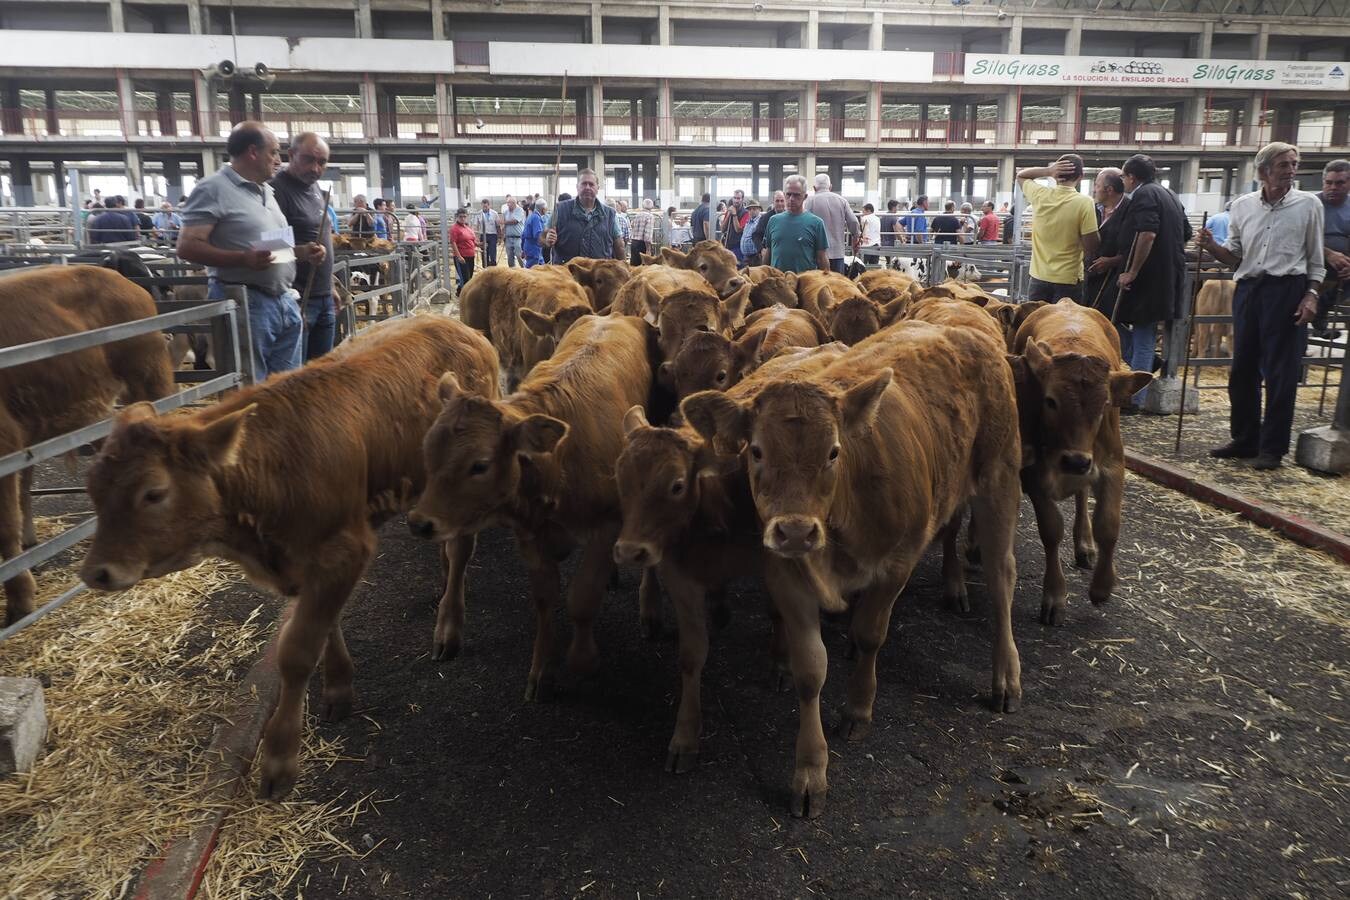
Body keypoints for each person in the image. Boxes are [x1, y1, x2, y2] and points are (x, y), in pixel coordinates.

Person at [1198, 142, 1326, 470]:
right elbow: (1235, 255)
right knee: (1243, 368)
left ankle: (1273, 448)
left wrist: (1311, 295)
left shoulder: (1308, 205)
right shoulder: (1242, 206)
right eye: (1284, 164)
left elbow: (1316, 258)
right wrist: (1212, 246)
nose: (1291, 169)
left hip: (1287, 290)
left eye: (1294, 163)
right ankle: (1244, 439)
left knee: (1281, 372)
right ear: (1264, 171)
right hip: (1250, 289)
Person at [178, 121, 324, 379]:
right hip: (247, 300)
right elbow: (187, 246)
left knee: (285, 388)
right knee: (250, 385)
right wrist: (242, 258)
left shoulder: (266, 191)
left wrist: (303, 252)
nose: (278, 160)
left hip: (283, 299)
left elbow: (271, 247)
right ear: (253, 152)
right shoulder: (212, 189)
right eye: (274, 152)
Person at [1112, 153, 1193, 409]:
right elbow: (1187, 232)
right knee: (1136, 332)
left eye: (1124, 177)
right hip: (1168, 275)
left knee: (1144, 335)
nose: (1123, 181)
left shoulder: (1144, 195)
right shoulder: (1170, 195)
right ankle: (1143, 378)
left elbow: (1147, 234)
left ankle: (1135, 399)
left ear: (1132, 177)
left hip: (1149, 278)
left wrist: (1133, 271)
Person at [270, 131, 337, 361]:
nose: (315, 169)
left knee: (320, 374)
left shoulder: (316, 190)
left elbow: (322, 238)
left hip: (323, 297)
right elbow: (270, 250)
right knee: (296, 378)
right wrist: (302, 252)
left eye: (322, 162)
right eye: (309, 159)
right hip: (298, 299)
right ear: (291, 155)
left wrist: (331, 286)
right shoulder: (277, 191)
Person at [1016, 155, 1100, 302]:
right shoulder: (1084, 203)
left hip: (1038, 278)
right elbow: (1091, 246)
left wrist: (1048, 170)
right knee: (1063, 324)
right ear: (1081, 176)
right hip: (1068, 280)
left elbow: (1021, 176)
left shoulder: (1040, 195)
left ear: (1056, 176)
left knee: (1037, 323)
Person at [541, 168, 624, 264]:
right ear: (577, 187)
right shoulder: (560, 209)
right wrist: (546, 240)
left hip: (599, 275)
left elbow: (619, 246)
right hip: (566, 274)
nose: (588, 187)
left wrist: (624, 269)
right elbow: (542, 237)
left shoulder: (610, 214)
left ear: (597, 188)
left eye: (591, 184)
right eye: (584, 184)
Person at [1084, 167, 1131, 327]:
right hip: (1090, 277)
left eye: (1096, 185)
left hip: (1115, 279)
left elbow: (1135, 248)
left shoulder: (1130, 210)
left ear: (1109, 190)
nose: (1094, 189)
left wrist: (1112, 261)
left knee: (1110, 323)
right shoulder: (1093, 209)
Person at [1312, 159, 1350, 336]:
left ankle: (1322, 309)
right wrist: (1328, 253)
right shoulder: (1310, 204)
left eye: (1340, 183)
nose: (1333, 187)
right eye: (1329, 183)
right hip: (1309, 259)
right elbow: (1296, 237)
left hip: (1340, 265)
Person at [764, 174, 829, 274]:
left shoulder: (816, 223)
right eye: (788, 194)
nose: (791, 199)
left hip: (804, 285)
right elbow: (768, 252)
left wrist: (826, 280)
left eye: (796, 195)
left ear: (805, 197)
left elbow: (822, 258)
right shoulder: (773, 221)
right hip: (778, 284)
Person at [804, 174, 859, 274]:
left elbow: (804, 224)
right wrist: (855, 239)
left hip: (817, 255)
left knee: (818, 285)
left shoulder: (810, 201)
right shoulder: (842, 201)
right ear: (830, 187)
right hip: (837, 253)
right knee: (837, 285)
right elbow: (854, 221)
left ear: (814, 188)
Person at [751, 190, 786, 260]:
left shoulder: (790, 216)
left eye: (782, 201)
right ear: (773, 202)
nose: (780, 203)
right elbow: (756, 235)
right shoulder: (765, 218)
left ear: (785, 201)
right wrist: (761, 249)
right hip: (770, 256)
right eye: (777, 201)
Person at [450, 207, 478, 289]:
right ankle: (463, 296)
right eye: (460, 216)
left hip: (471, 256)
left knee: (469, 278)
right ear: (457, 217)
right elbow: (453, 242)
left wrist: (479, 244)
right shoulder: (454, 228)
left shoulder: (467, 228)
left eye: (464, 216)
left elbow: (471, 240)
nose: (462, 218)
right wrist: (459, 256)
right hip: (462, 256)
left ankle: (460, 292)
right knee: (465, 279)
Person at [721, 189, 750, 263]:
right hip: (728, 244)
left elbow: (738, 229)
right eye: (735, 198)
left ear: (742, 199)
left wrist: (734, 214)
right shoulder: (729, 211)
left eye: (738, 198)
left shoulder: (746, 213)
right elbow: (722, 229)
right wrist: (728, 215)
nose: (736, 201)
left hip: (739, 246)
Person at [501, 194, 526, 267]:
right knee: (510, 257)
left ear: (514, 203)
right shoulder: (506, 212)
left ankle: (524, 269)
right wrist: (503, 234)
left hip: (518, 237)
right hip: (508, 238)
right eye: (507, 203)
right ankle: (512, 271)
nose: (508, 205)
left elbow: (515, 221)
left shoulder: (520, 210)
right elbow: (504, 224)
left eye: (509, 203)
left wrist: (504, 222)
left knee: (519, 256)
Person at [522, 199, 547, 268]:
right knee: (534, 270)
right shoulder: (536, 218)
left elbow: (523, 235)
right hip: (534, 249)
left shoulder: (530, 217)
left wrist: (523, 248)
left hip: (528, 247)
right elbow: (538, 235)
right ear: (543, 209)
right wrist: (546, 242)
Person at [476, 197, 501, 267]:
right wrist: (476, 237)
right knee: (484, 253)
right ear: (481, 205)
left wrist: (499, 237)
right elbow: (477, 226)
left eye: (486, 206)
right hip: (483, 235)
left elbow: (498, 226)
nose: (485, 208)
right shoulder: (478, 214)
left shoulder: (494, 213)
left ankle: (493, 268)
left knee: (492, 253)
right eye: (483, 206)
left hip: (492, 235)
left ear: (489, 205)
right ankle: (485, 269)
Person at [630, 198, 655, 266]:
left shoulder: (637, 215)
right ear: (652, 207)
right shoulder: (650, 216)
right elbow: (647, 235)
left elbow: (631, 225)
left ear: (642, 206)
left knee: (634, 266)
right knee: (644, 268)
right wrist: (648, 250)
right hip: (643, 244)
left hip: (634, 242)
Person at [739, 199, 764, 265]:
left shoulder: (761, 222)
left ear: (759, 210)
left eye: (754, 209)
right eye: (749, 209)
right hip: (746, 257)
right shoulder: (748, 222)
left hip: (755, 257)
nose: (751, 211)